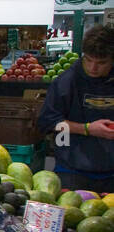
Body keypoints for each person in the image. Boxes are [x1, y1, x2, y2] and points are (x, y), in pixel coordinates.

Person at [38, 24, 114, 191]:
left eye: (101, 63)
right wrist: (88, 129)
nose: (93, 68)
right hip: (71, 171)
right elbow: (48, 123)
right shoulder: (66, 82)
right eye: (88, 60)